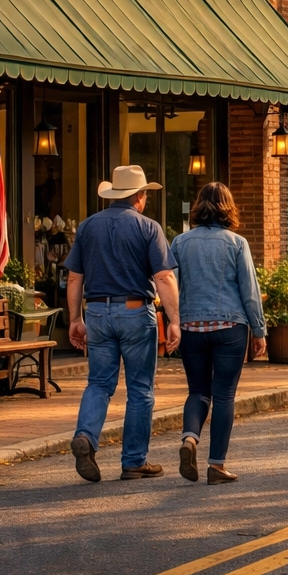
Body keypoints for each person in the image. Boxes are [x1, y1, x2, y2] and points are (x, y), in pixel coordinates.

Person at [66, 165, 180, 482]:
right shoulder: (149, 228)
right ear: (140, 197)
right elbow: (164, 277)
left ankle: (86, 436)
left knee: (99, 384)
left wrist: (76, 319)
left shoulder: (87, 227)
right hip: (135, 313)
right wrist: (174, 321)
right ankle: (133, 461)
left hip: (98, 314)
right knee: (140, 390)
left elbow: (75, 278)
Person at [171, 183, 267, 485]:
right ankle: (216, 465)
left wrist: (174, 322)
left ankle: (189, 438)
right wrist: (259, 331)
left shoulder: (179, 243)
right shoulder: (237, 243)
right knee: (224, 394)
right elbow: (249, 291)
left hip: (192, 327)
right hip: (230, 327)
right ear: (229, 208)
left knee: (198, 390)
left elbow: (170, 286)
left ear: (198, 207)